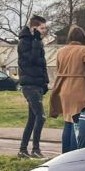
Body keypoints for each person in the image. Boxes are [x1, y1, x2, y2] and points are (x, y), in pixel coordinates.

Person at [49, 25, 85, 153]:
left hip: (64, 89)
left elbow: (59, 69)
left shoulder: (61, 51)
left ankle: (65, 154)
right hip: (79, 89)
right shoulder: (84, 50)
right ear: (83, 37)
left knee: (68, 121)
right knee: (77, 122)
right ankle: (74, 154)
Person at [17, 15, 49, 159]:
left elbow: (42, 65)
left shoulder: (38, 42)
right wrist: (36, 41)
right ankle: (35, 149)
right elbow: (31, 60)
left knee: (32, 119)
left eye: (44, 28)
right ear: (33, 28)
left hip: (37, 84)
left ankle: (23, 150)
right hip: (29, 85)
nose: (44, 31)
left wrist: (45, 82)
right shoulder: (25, 42)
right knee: (40, 116)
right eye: (42, 28)